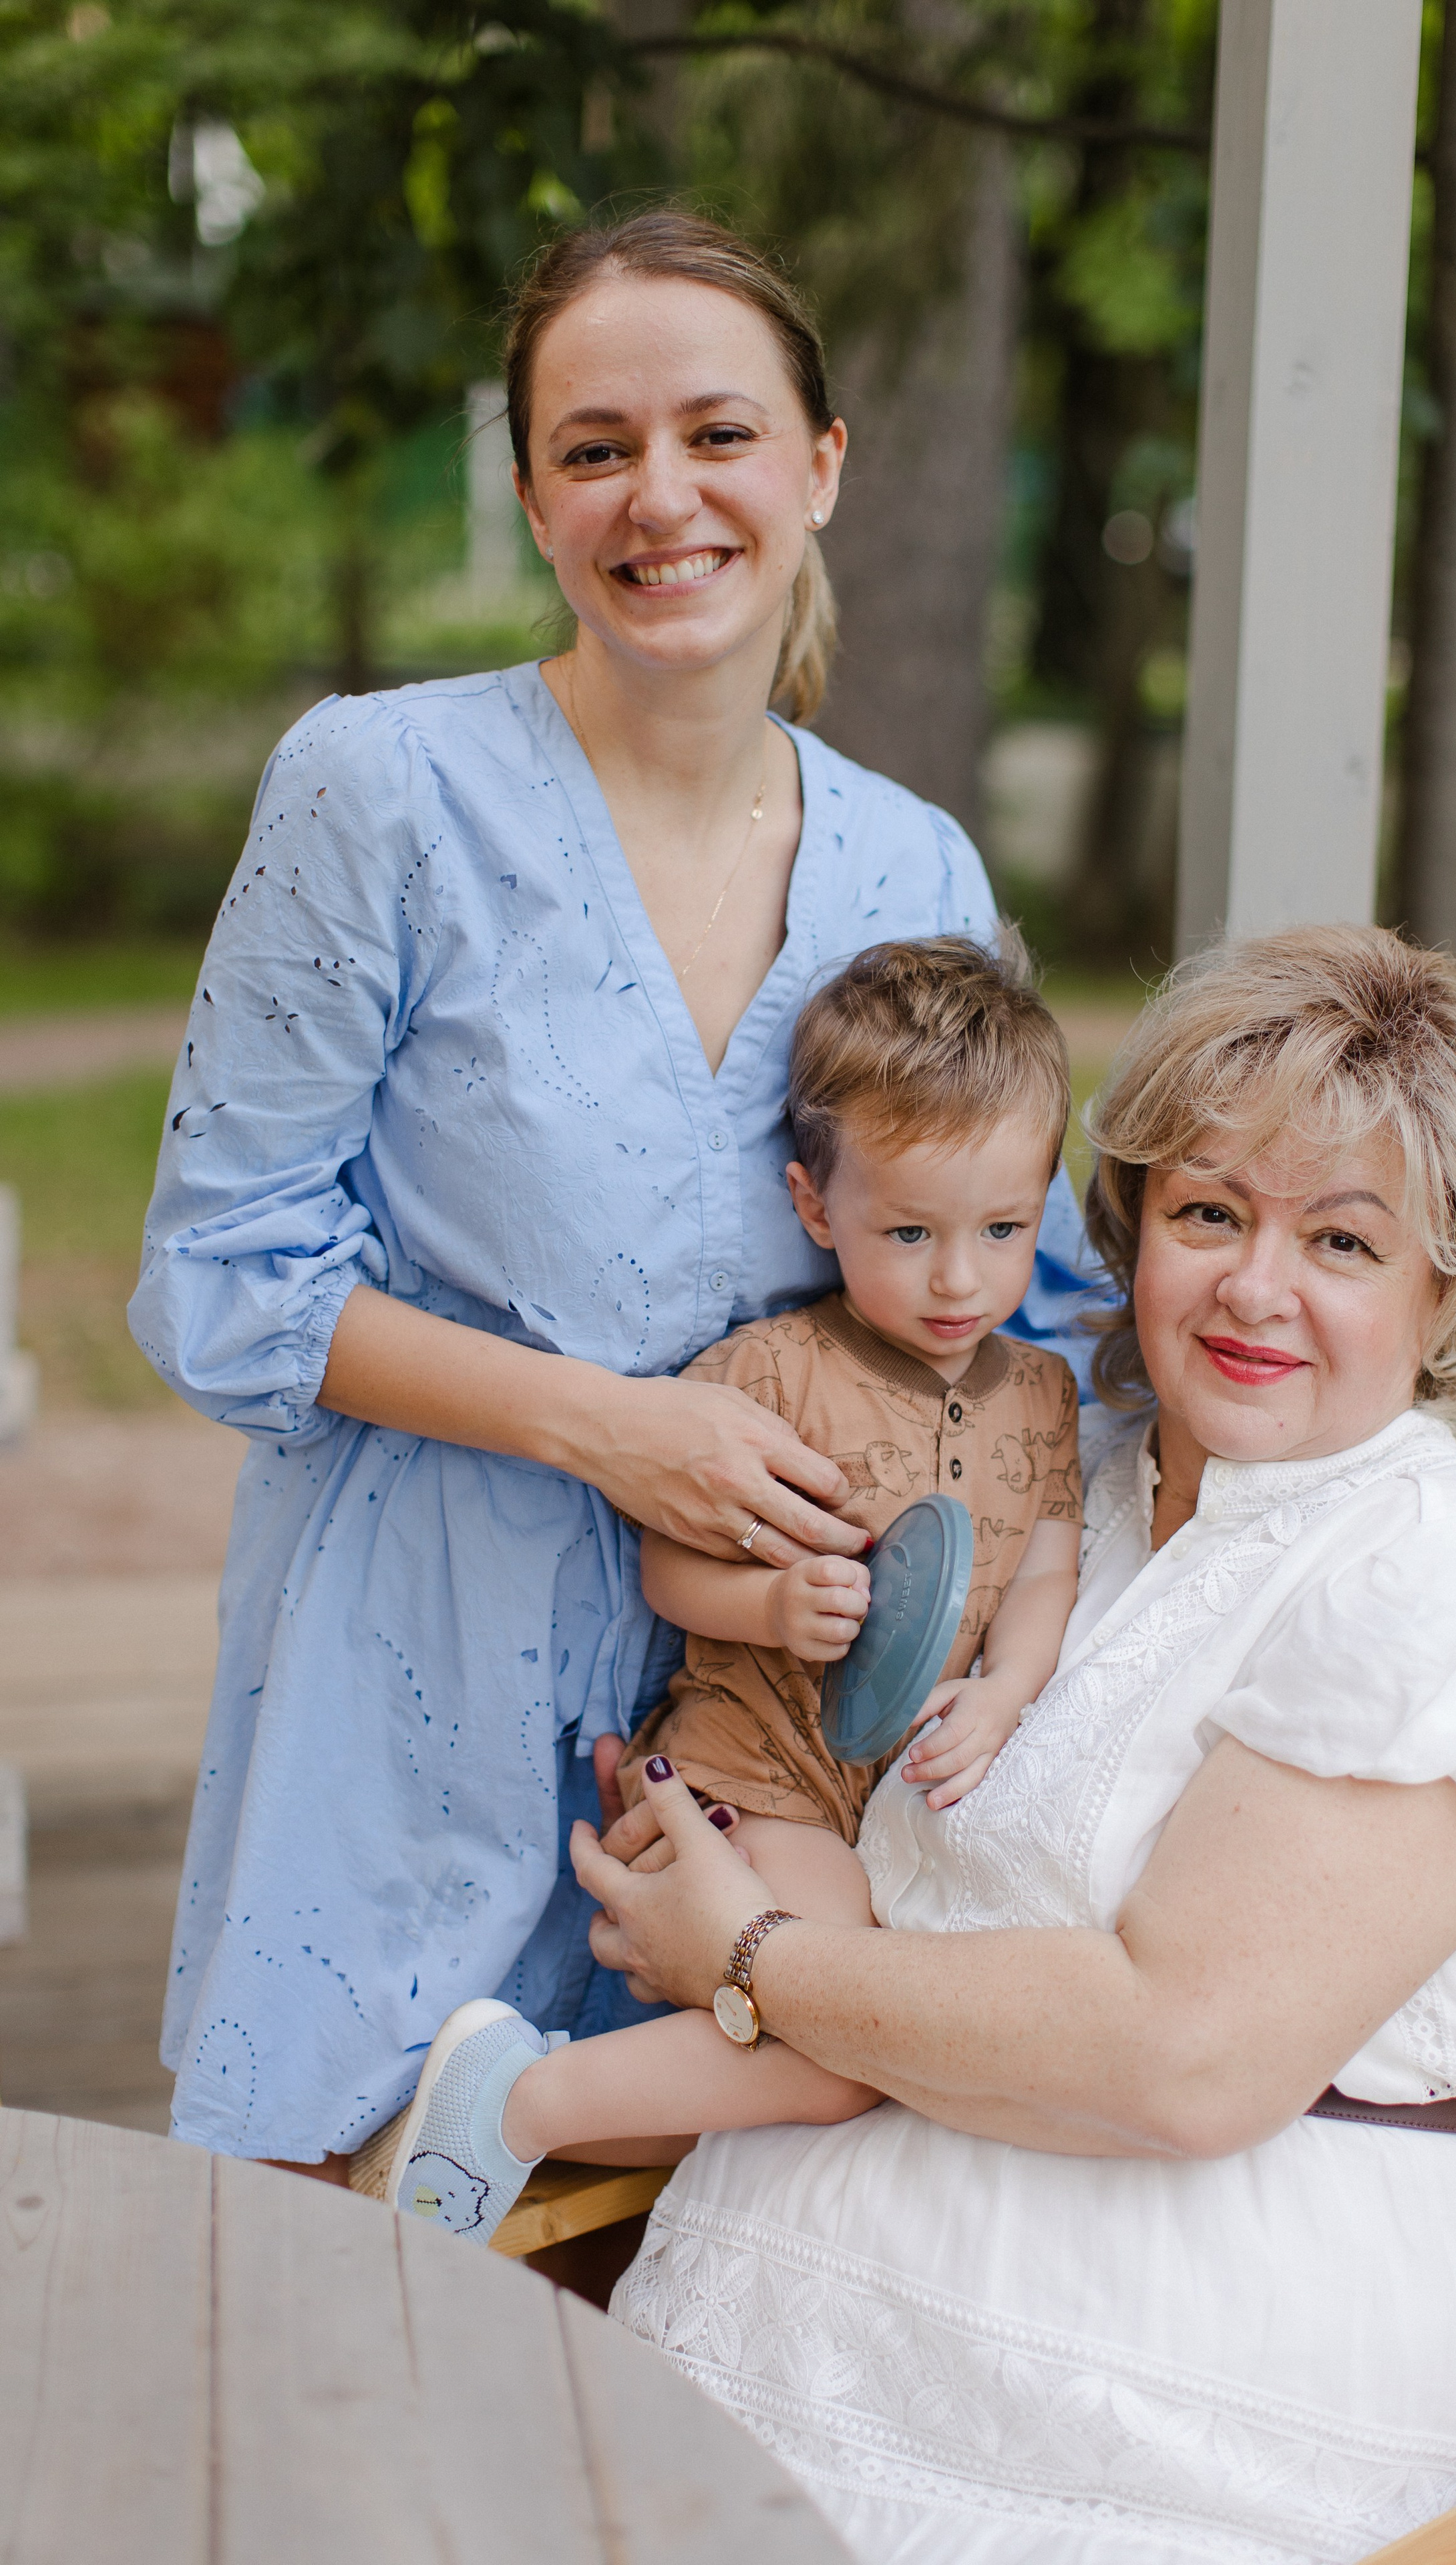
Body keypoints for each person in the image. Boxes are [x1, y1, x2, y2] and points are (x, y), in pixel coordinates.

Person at [126, 210, 1089, 2178]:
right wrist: (612, 1431)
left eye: (720, 434)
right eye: (595, 447)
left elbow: (1029, 1303)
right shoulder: (379, 792)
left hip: (778, 1734)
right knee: (350, 2255)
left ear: (822, 467)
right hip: (428, 1655)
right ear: (533, 495)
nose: (663, 497)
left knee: (676, 2315)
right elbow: (220, 1273)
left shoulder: (914, 869)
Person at [571, 924, 1456, 2565]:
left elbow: (1185, 2056)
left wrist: (752, 1955)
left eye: (1342, 1242)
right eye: (1209, 1212)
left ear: (1445, 1289)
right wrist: (704, 1812)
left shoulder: (1429, 1577)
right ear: (1132, 1223)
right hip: (839, 2301)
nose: (1253, 1288)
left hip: (1234, 2359)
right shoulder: (1069, 1481)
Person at [360, 935, 1084, 2242]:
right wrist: (766, 1608)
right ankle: (514, 2110)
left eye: (1002, 1230)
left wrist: (1007, 1688)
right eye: (906, 1231)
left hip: (879, 1807)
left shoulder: (1039, 1392)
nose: (956, 1279)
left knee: (828, 2066)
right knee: (839, 2053)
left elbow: (1043, 1560)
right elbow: (669, 1562)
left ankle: (499, 2113)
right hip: (758, 1775)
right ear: (814, 1207)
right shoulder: (768, 1372)